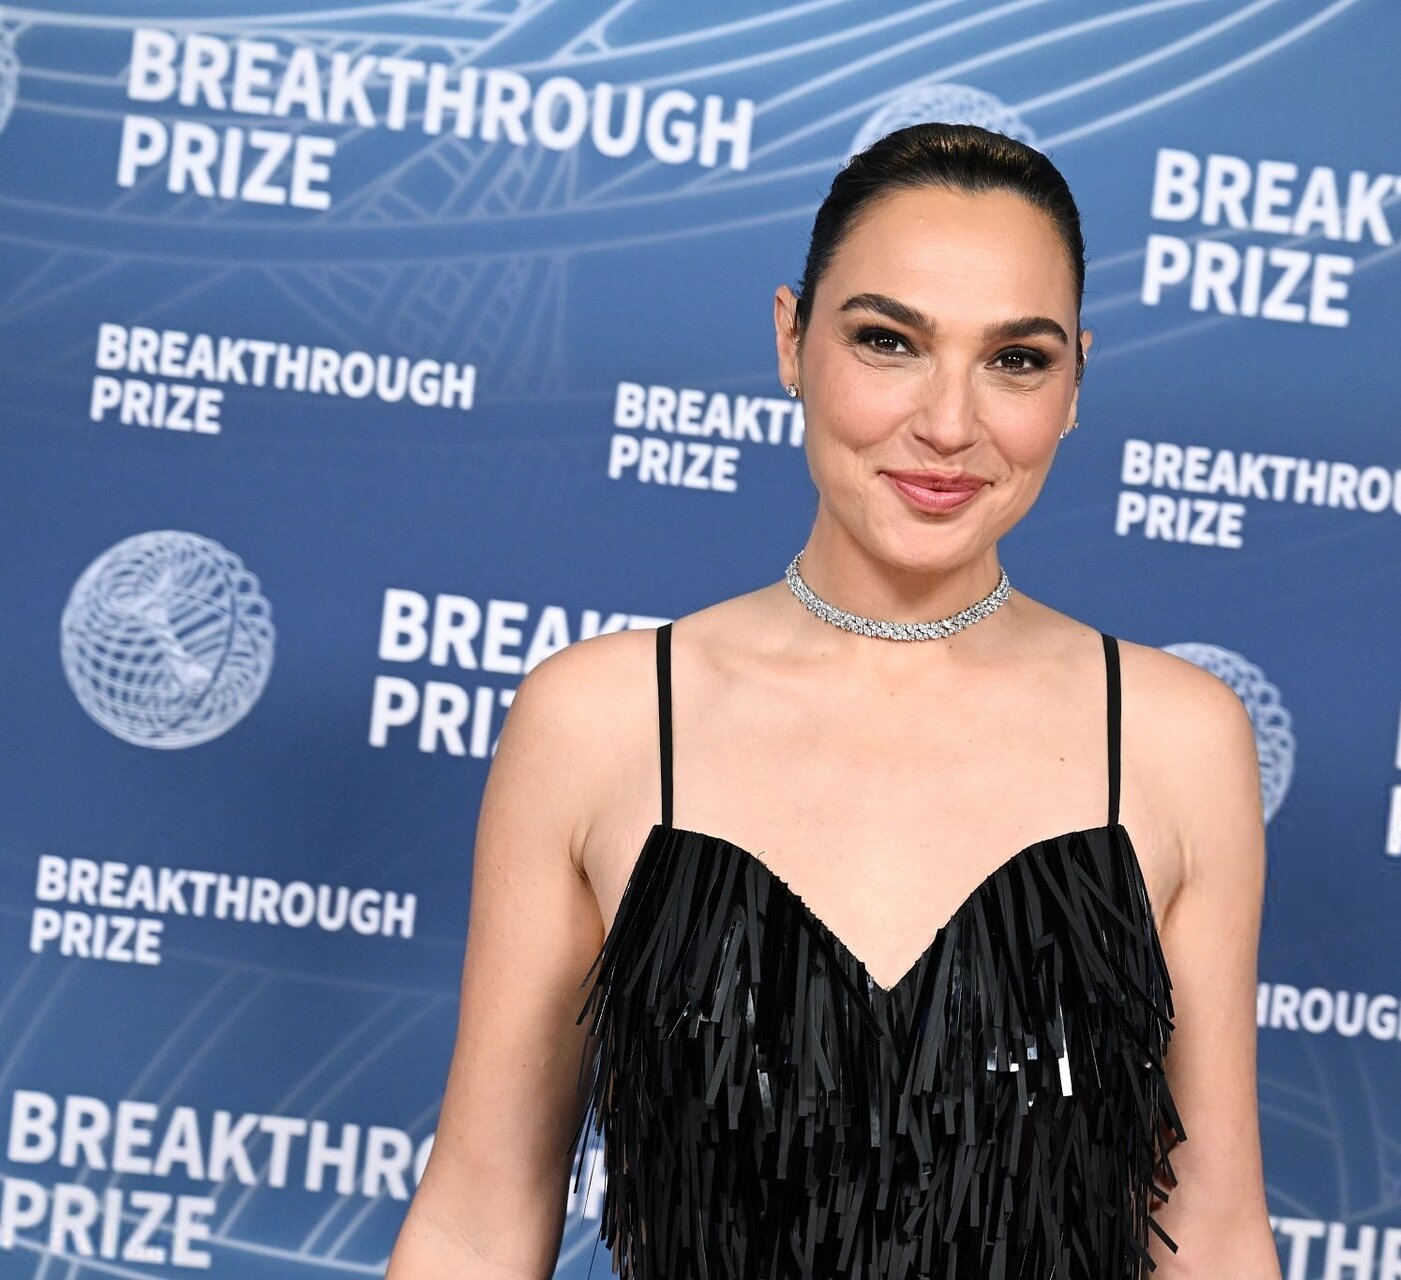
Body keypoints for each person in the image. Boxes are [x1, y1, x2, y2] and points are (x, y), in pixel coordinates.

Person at [386, 123, 1277, 1279]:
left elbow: (1213, 1231)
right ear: (791, 340)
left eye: (1016, 359)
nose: (948, 423)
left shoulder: (1175, 738)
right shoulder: (601, 718)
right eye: (888, 340)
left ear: (1072, 387)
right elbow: (478, 1217)